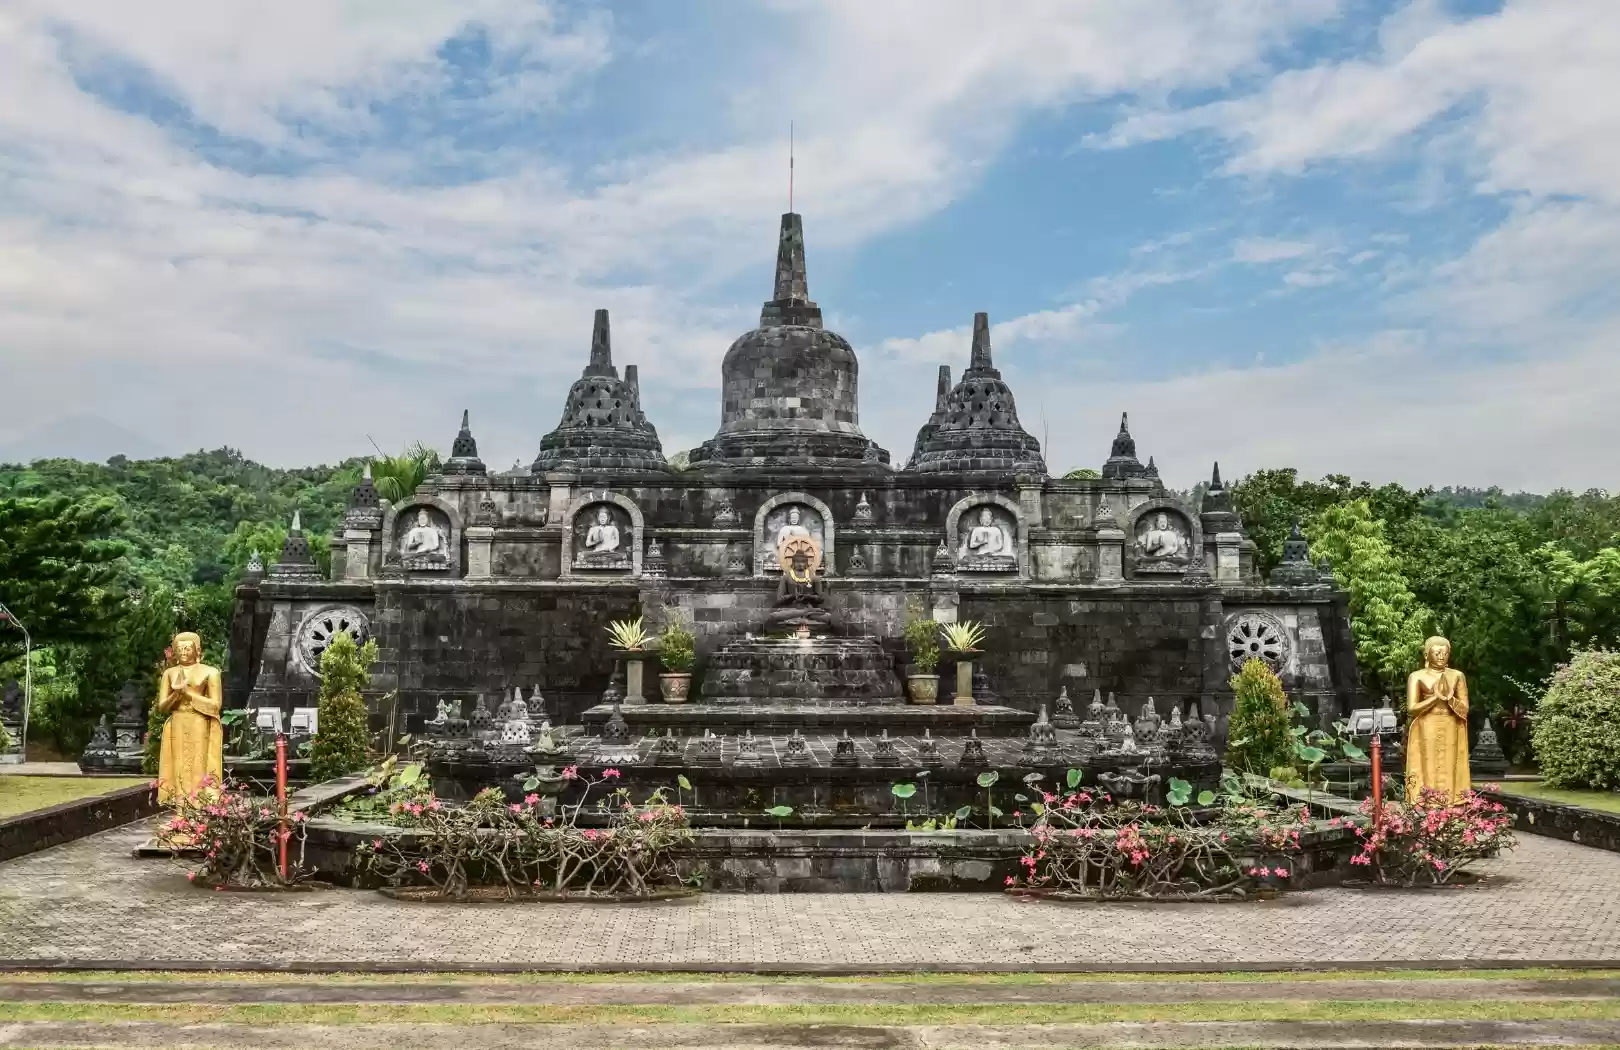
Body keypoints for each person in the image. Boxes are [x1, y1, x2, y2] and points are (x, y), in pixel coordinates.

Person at [155, 632, 224, 806]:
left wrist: (188, 693)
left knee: (198, 764)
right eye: (179, 648)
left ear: (197, 650)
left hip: (199, 722)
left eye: (187, 648)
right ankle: (180, 810)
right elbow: (162, 707)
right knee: (179, 766)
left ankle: (199, 807)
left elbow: (216, 705)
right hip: (177, 721)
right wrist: (176, 695)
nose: (183, 652)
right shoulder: (170, 674)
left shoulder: (210, 672)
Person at [1405, 635, 1471, 803]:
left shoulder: (1457, 676)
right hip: (1427, 724)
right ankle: (1428, 800)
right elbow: (1412, 708)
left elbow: (1465, 709)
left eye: (1445, 653)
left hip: (1450, 722)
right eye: (1437, 653)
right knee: (1428, 764)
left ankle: (1451, 800)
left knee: (1450, 763)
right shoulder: (1417, 676)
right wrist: (1435, 697)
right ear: (1427, 655)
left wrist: (1450, 698)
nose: (1441, 656)